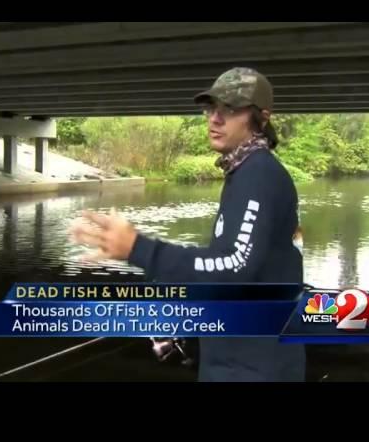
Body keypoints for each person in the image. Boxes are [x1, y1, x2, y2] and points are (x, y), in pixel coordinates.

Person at [71, 67, 305, 382]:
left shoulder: (258, 174)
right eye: (212, 108)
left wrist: (138, 248)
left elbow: (235, 266)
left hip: (252, 369)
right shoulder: (246, 170)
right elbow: (238, 267)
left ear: (261, 118)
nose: (215, 118)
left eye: (231, 109)